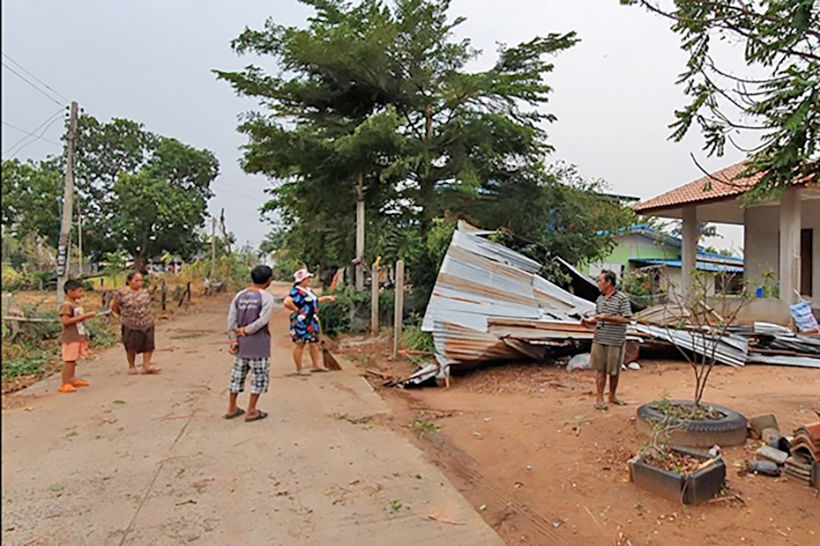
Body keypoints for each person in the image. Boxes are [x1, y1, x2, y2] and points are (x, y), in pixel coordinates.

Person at [225, 265, 275, 422]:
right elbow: (262, 320)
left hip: (241, 345)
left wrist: (233, 339)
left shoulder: (239, 296)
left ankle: (232, 408)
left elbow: (231, 320)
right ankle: (252, 410)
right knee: (259, 378)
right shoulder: (266, 297)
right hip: (259, 345)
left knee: (237, 377)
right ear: (268, 281)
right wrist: (246, 330)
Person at [581, 270, 633, 410]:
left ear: (608, 282)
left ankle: (612, 396)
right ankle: (599, 398)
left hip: (615, 340)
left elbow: (627, 319)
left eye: (600, 281)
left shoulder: (622, 299)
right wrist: (587, 323)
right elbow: (597, 320)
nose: (598, 284)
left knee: (614, 370)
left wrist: (607, 318)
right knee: (600, 370)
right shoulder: (600, 299)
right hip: (600, 338)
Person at [284, 268, 337, 375]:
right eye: (307, 278)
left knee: (314, 343)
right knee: (300, 343)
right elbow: (287, 302)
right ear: (301, 280)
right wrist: (297, 311)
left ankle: (316, 366)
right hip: (301, 321)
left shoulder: (308, 290)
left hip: (311, 320)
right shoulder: (296, 291)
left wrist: (326, 298)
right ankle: (299, 369)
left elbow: (314, 302)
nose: (309, 280)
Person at [111, 271, 159, 375]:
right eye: (136, 280)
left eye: (141, 280)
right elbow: (114, 306)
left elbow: (155, 287)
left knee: (149, 344)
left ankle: (146, 366)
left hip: (147, 321)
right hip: (130, 323)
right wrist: (123, 315)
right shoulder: (122, 293)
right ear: (129, 281)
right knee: (130, 345)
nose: (139, 283)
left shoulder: (146, 292)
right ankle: (132, 366)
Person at [58, 280, 96, 393]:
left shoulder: (76, 304)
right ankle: (65, 382)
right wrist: (85, 316)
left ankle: (72, 379)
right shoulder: (66, 305)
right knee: (69, 360)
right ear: (70, 292)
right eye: (79, 291)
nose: (81, 294)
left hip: (78, 335)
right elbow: (65, 321)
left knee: (74, 359)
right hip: (70, 337)